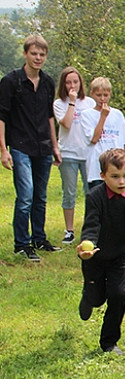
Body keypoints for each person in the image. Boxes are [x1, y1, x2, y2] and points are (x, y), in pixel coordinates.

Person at [77, 148, 125, 356]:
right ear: (102, 176)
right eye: (115, 176)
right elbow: (91, 225)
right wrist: (88, 245)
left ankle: (109, 343)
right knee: (97, 298)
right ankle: (89, 297)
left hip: (119, 257)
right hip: (95, 257)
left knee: (118, 295)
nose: (121, 181)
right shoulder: (95, 197)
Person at [0, 35, 62, 261]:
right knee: (25, 196)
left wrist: (55, 146)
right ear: (25, 53)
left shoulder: (47, 82)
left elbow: (49, 116)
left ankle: (39, 238)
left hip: (43, 147)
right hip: (19, 145)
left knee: (41, 197)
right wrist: (3, 150)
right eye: (34, 53)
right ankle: (21, 244)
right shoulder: (11, 81)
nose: (38, 58)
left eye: (42, 54)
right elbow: (1, 116)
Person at [54, 67, 95, 245]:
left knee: (91, 192)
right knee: (69, 193)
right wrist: (71, 102)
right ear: (63, 84)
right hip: (68, 153)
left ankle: (90, 228)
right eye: (68, 82)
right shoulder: (58, 104)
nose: (72, 85)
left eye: (75, 82)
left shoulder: (90, 102)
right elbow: (66, 124)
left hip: (88, 154)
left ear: (80, 83)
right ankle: (69, 230)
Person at [80, 77, 125, 189]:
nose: (102, 99)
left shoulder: (118, 114)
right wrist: (103, 116)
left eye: (105, 95)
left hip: (116, 168)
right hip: (96, 168)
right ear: (92, 94)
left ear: (110, 94)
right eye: (98, 95)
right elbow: (94, 139)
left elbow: (123, 143)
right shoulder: (86, 115)